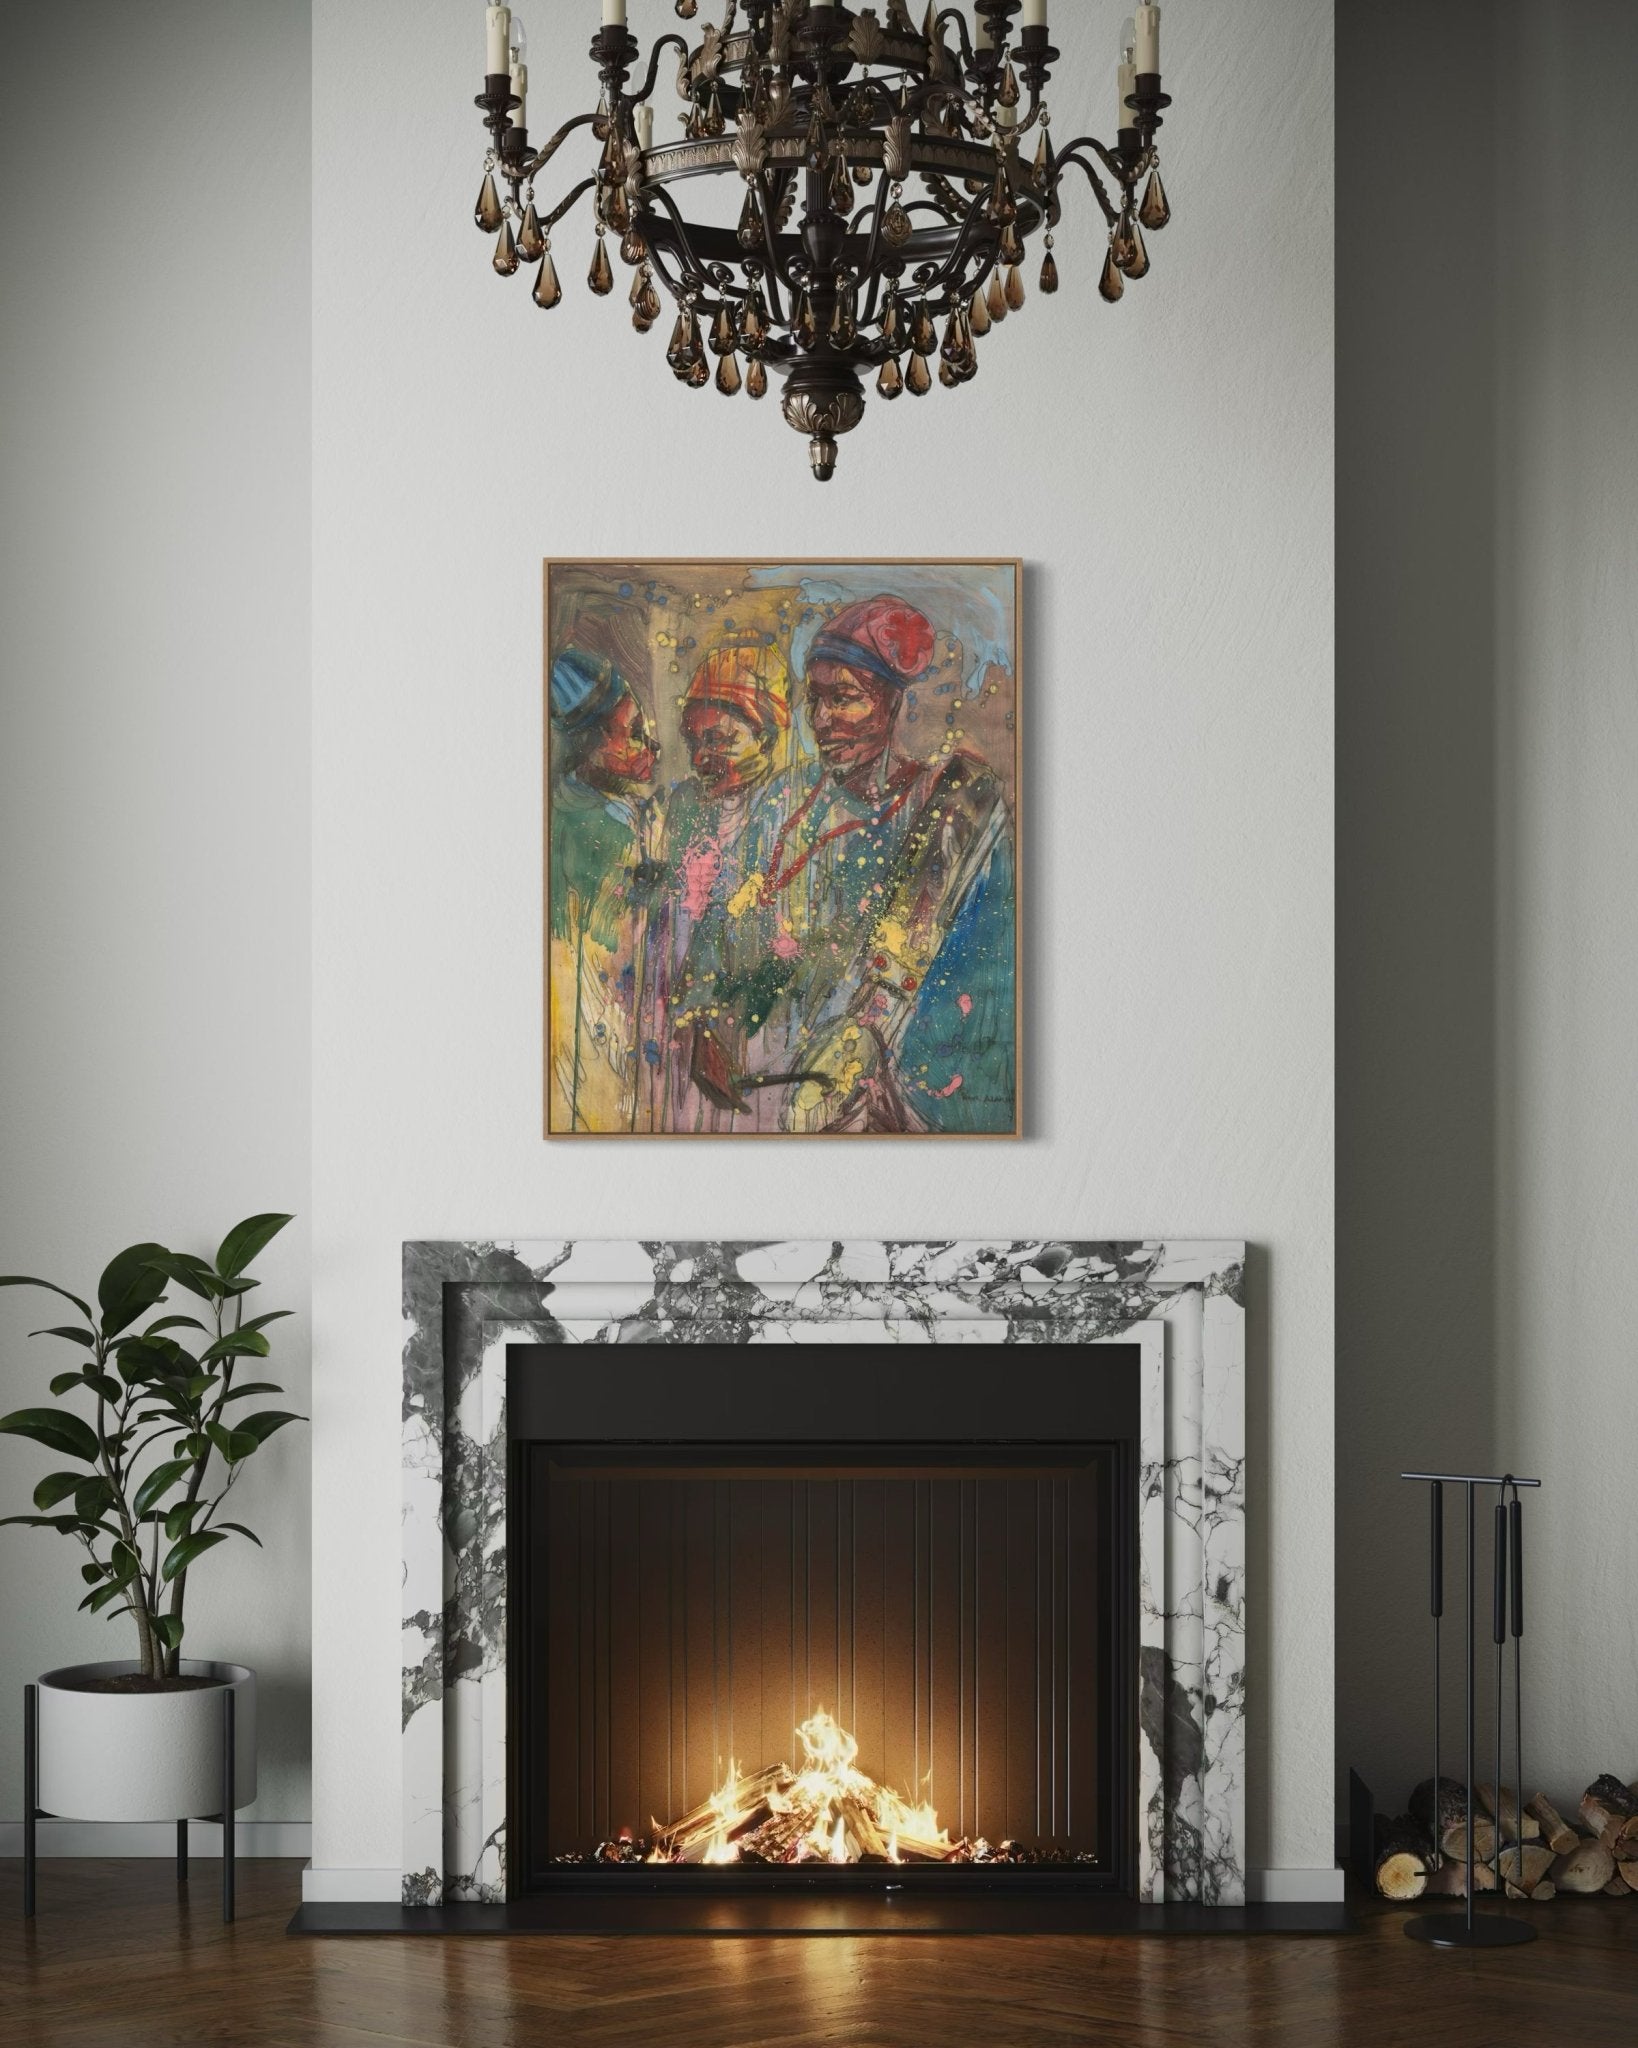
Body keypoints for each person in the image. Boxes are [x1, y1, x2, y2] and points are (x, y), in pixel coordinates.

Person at [757, 595, 1016, 1133]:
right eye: (816, 700)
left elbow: (982, 970)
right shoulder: (787, 804)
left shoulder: (953, 806)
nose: (823, 720)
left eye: (845, 698)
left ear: (892, 705)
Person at [660, 637, 797, 1129]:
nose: (701, 758)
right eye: (694, 742)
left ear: (765, 736)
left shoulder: (789, 811)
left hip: (759, 1027)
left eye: (718, 740)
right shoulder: (682, 807)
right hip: (683, 1025)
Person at [546, 645, 662, 1132]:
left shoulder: (609, 807)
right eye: (634, 735)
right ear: (591, 745)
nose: (652, 747)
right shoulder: (595, 827)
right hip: (592, 1023)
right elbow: (612, 944)